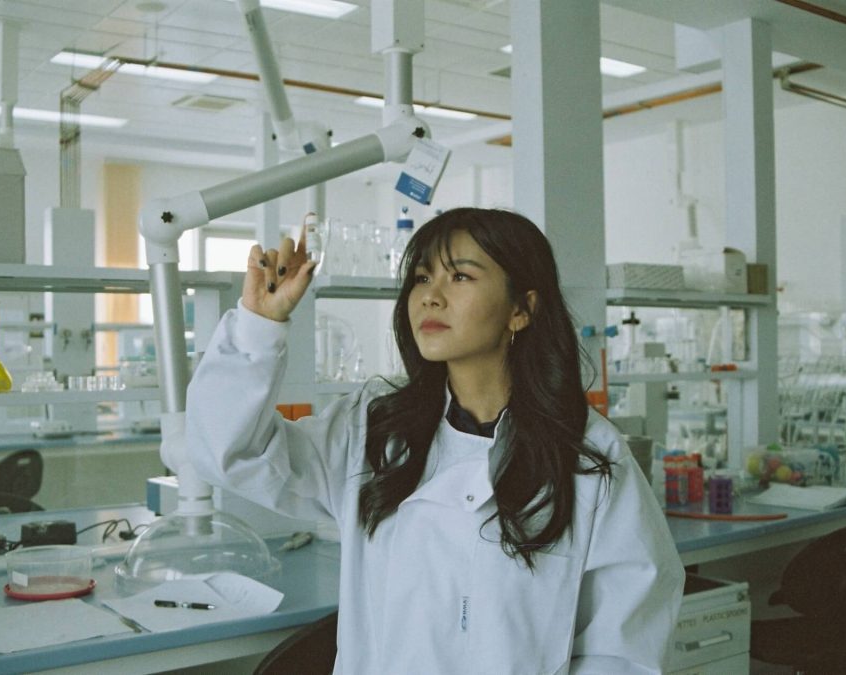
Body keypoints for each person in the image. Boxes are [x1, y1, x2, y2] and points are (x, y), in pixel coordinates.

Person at [186, 207, 685, 674]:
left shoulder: (587, 456)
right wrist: (258, 326)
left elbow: (623, 648)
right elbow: (231, 453)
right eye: (422, 277)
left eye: (460, 276)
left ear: (522, 308)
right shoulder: (375, 430)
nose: (430, 295)